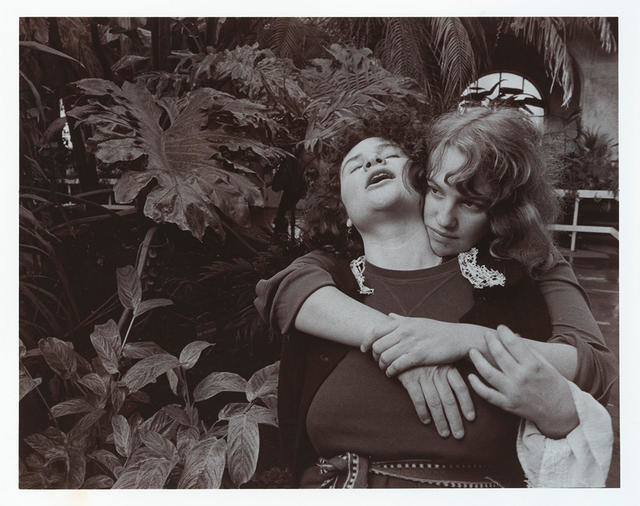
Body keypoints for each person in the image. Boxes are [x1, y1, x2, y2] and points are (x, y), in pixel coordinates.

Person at [255, 107, 614, 487]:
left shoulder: (515, 275)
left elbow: (598, 369)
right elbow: (277, 290)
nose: (445, 217)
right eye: (352, 165)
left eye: (389, 154)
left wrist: (459, 340)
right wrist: (406, 348)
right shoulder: (329, 277)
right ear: (342, 210)